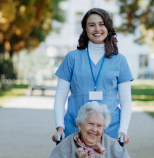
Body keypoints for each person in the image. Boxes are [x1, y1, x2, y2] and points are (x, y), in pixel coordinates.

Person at [52, 8, 133, 145]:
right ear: (85, 29)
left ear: (108, 27)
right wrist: (60, 128)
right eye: (91, 25)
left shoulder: (120, 60)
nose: (97, 29)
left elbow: (125, 99)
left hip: (110, 130)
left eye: (101, 24)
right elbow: (60, 96)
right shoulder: (72, 58)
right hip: (75, 128)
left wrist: (123, 130)